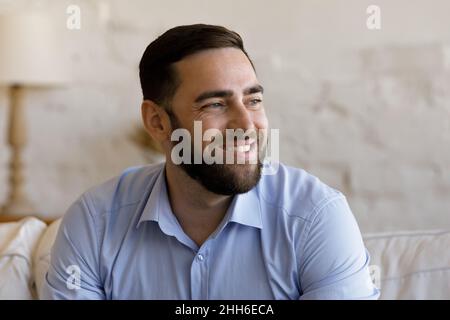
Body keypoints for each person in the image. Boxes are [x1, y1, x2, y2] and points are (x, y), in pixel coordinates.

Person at [42, 24, 380, 299]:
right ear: (158, 122)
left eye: (254, 100)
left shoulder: (314, 217)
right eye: (215, 105)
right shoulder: (94, 223)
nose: (247, 125)